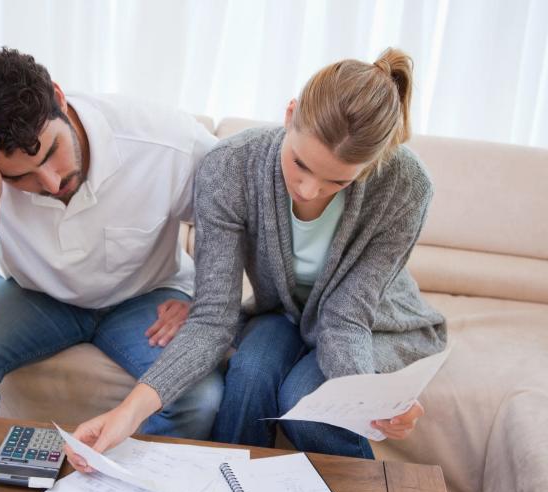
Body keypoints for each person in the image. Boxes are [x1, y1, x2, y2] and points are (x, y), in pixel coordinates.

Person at [68, 48, 447, 469]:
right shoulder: (230, 166)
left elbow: (345, 317)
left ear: (372, 163)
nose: (308, 189)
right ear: (289, 114)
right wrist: (127, 414)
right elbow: (214, 318)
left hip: (372, 325)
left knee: (306, 405)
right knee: (248, 374)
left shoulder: (407, 186)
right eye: (299, 163)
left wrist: (368, 402)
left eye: (337, 181)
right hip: (283, 314)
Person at [0, 48, 222, 439]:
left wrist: (205, 302)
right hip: (36, 296)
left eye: (50, 152)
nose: (50, 182)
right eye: (20, 177)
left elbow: (246, 223)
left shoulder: (169, 142)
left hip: (145, 295)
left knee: (198, 396)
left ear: (60, 98)